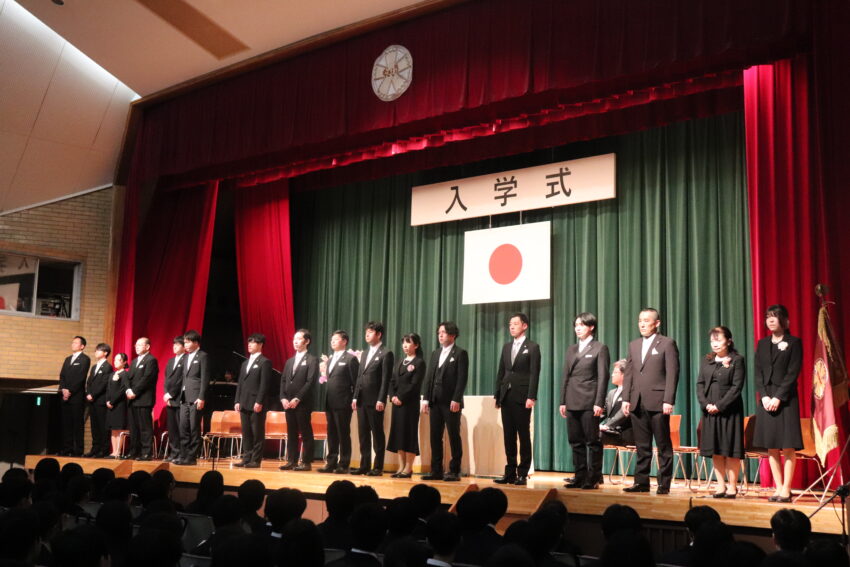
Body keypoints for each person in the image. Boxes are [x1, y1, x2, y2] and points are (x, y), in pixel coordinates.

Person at [622, 308, 679, 494]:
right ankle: (641, 482)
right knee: (642, 446)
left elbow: (672, 373)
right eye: (640, 320)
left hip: (658, 401)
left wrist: (668, 399)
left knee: (663, 445)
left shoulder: (667, 343)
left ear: (657, 323)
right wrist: (626, 398)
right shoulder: (634, 345)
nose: (642, 324)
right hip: (637, 401)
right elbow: (629, 373)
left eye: (646, 320)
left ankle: (664, 483)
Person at [753, 305, 803, 503]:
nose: (771, 320)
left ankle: (787, 489)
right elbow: (758, 372)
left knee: (788, 445)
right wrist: (764, 396)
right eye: (768, 317)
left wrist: (778, 397)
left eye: (775, 317)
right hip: (766, 400)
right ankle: (778, 487)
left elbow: (793, 373)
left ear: (785, 321)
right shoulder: (762, 343)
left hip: (786, 400)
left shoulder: (794, 342)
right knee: (771, 446)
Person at [559, 313, 610, 490]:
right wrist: (563, 401)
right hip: (572, 399)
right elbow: (565, 376)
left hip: (589, 400)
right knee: (575, 440)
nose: (578, 328)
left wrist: (599, 402)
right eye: (576, 325)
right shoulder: (571, 349)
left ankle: (594, 477)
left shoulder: (600, 348)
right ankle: (579, 476)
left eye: (581, 325)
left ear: (591, 327)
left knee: (592, 441)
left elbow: (603, 377)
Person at [696, 326, 745, 498]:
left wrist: (719, 405)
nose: (714, 344)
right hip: (710, 410)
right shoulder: (707, 360)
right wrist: (706, 404)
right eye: (712, 341)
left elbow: (736, 387)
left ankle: (732, 486)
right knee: (715, 449)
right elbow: (700, 384)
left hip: (729, 410)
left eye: (718, 340)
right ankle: (720, 486)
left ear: (729, 341)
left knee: (730, 449)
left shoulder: (737, 360)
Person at [494, 313, 541, 486]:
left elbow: (535, 373)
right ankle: (510, 472)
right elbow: (501, 371)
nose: (512, 326)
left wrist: (531, 396)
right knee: (509, 436)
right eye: (510, 324)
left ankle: (523, 472)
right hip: (506, 395)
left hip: (522, 396)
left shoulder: (533, 347)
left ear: (524, 326)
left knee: (523, 435)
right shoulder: (506, 347)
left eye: (515, 323)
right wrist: (497, 394)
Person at [422, 321, 469, 482]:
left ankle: (455, 470)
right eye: (439, 333)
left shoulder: (460, 353)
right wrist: (425, 398)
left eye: (444, 332)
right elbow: (429, 377)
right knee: (435, 436)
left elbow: (462, 379)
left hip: (451, 402)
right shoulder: (435, 353)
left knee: (453, 435)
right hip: (435, 401)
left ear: (453, 335)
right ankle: (436, 470)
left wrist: (456, 398)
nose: (440, 335)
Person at [352, 321, 394, 476]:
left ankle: (377, 467)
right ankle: (364, 465)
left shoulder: (386, 353)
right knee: (363, 434)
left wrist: (381, 399)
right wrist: (355, 397)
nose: (367, 335)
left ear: (379, 334)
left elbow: (386, 379)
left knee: (377, 434)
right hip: (361, 400)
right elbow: (359, 376)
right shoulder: (364, 353)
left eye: (370, 332)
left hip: (375, 401)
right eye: (366, 332)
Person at [319, 330, 359, 474]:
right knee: (331, 433)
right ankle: (331, 463)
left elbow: (356, 382)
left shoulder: (350, 359)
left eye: (336, 339)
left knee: (343, 433)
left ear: (344, 341)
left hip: (343, 402)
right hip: (330, 402)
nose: (332, 342)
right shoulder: (330, 360)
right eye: (332, 340)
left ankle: (344, 464)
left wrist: (354, 398)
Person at [387, 333, 426, 478]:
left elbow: (415, 385)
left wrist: (401, 397)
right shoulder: (399, 361)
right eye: (403, 342)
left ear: (416, 345)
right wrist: (393, 397)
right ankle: (401, 466)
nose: (405, 345)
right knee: (398, 434)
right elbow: (392, 381)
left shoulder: (419, 362)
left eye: (408, 342)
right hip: (397, 404)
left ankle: (409, 468)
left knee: (409, 434)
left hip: (409, 404)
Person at [280, 329, 319, 470]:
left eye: (299, 338)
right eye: (294, 339)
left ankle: (306, 462)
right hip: (288, 403)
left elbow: (310, 382)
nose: (295, 341)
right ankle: (292, 461)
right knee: (291, 433)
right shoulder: (289, 361)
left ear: (307, 341)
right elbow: (283, 380)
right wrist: (283, 398)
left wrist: (298, 398)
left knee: (305, 432)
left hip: (303, 403)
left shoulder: (312, 360)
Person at [235, 333, 274, 468]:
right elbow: (240, 383)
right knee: (246, 432)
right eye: (249, 342)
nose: (250, 345)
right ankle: (246, 458)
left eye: (253, 342)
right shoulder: (245, 363)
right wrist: (237, 400)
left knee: (257, 433)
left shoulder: (265, 362)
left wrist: (259, 401)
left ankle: (256, 460)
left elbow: (264, 384)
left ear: (260, 345)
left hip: (256, 403)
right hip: (244, 401)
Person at [176, 330, 210, 465]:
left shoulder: (203, 356)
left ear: (196, 342)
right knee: (183, 427)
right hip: (184, 396)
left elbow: (205, 378)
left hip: (196, 397)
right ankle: (183, 455)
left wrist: (201, 397)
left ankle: (191, 457)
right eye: (184, 342)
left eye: (188, 342)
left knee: (194, 428)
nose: (185, 345)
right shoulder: (185, 357)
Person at [124, 337, 159, 461]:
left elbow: (147, 378)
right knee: (133, 428)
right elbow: (128, 377)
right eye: (136, 345)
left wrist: (134, 391)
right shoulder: (134, 361)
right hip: (132, 399)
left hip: (144, 399)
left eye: (140, 345)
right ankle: (134, 451)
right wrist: (128, 390)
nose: (137, 347)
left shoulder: (151, 360)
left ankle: (146, 453)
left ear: (147, 347)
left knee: (145, 428)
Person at [58, 336, 91, 456]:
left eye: (76, 343)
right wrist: (63, 389)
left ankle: (78, 450)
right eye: (72, 342)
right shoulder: (68, 359)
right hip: (65, 396)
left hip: (76, 396)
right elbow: (62, 375)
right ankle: (67, 449)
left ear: (82, 346)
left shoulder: (85, 359)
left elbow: (81, 377)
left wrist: (70, 391)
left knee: (77, 424)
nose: (73, 344)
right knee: (66, 424)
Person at [84, 343, 113, 458]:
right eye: (95, 350)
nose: (95, 352)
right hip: (92, 401)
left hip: (100, 401)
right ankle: (95, 448)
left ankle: (103, 450)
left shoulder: (107, 367)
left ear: (105, 353)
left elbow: (104, 383)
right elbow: (89, 382)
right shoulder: (94, 367)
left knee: (102, 426)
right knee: (94, 426)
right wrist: (88, 393)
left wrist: (93, 394)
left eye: (98, 350)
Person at [161, 335, 185, 463]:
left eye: (178, 344)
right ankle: (174, 452)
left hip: (180, 398)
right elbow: (167, 379)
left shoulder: (186, 359)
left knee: (181, 428)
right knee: (172, 428)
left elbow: (181, 380)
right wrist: (166, 394)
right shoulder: (171, 361)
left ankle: (181, 453)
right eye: (174, 344)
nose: (174, 347)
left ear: (184, 347)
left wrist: (171, 394)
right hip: (169, 400)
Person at [600, 359, 633, 446]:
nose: (612, 375)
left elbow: (623, 413)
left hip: (625, 433)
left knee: (596, 436)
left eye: (615, 372)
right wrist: (591, 423)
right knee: (588, 433)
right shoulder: (611, 393)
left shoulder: (632, 392)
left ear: (624, 374)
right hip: (611, 431)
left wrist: (607, 425)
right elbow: (603, 412)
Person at [105, 353, 129, 458]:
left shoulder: (125, 374)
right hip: (110, 405)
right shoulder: (112, 374)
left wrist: (112, 401)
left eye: (118, 360)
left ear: (124, 362)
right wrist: (107, 400)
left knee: (119, 429)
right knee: (113, 429)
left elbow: (122, 390)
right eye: (115, 360)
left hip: (120, 405)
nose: (115, 362)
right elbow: (108, 389)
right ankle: (113, 451)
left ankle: (118, 452)